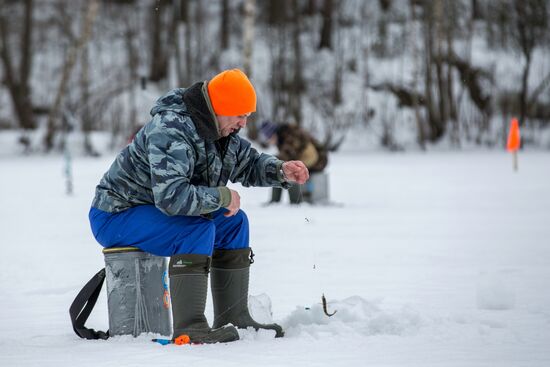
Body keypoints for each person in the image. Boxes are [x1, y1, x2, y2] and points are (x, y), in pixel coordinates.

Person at [89, 69, 309, 344]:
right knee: (195, 230)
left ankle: (235, 316)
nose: (242, 124)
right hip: (116, 214)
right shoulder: (171, 129)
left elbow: (249, 163)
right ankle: (190, 326)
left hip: (152, 211)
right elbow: (172, 197)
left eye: (247, 116)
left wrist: (281, 171)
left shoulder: (221, 131)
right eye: (239, 115)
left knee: (233, 222)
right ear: (219, 108)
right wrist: (221, 196)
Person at [259, 121, 327, 204]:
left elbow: (287, 154)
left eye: (269, 138)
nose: (269, 141)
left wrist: (267, 162)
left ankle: (295, 202)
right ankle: (275, 201)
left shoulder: (289, 135)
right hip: (305, 158)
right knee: (280, 168)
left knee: (289, 168)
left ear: (273, 134)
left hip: (318, 160)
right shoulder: (283, 136)